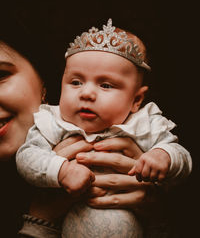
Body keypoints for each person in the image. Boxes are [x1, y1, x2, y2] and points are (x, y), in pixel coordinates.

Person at [16, 19, 192, 237]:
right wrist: (62, 170)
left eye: (106, 85)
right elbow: (27, 157)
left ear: (137, 100)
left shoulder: (144, 124)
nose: (86, 93)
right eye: (76, 82)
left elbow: (183, 157)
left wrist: (163, 155)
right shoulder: (52, 121)